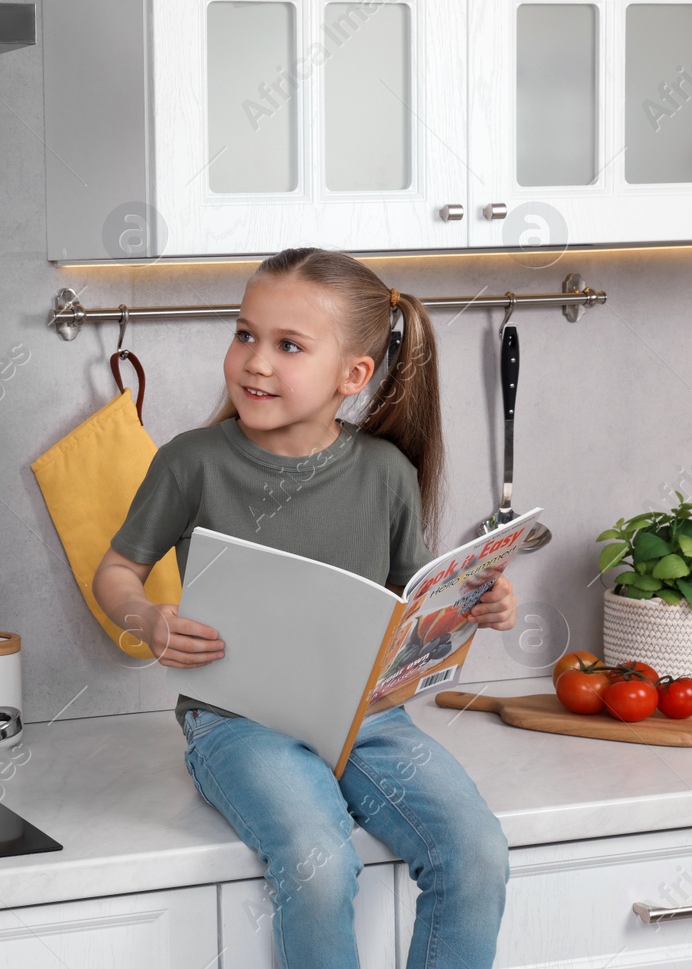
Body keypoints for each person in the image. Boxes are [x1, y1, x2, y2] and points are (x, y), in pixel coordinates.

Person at [91, 248, 516, 969]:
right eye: (245, 333)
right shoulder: (190, 460)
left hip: (367, 720)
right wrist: (149, 618)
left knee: (476, 852)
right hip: (237, 723)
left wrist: (478, 601)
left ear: (353, 375)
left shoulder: (387, 472)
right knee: (319, 861)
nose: (255, 361)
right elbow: (117, 572)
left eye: (288, 345)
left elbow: (419, 603)